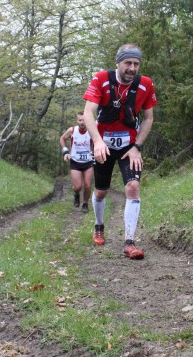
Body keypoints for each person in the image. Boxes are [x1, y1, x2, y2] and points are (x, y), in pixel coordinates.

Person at [82, 43, 157, 259]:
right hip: (102, 145)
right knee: (101, 190)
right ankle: (98, 225)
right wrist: (97, 141)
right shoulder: (101, 79)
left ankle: (129, 242)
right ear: (118, 62)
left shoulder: (145, 84)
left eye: (136, 64)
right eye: (128, 63)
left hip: (129, 148)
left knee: (133, 187)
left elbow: (149, 118)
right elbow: (88, 113)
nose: (132, 68)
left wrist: (137, 147)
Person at [59, 111, 94, 212]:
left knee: (87, 185)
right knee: (78, 186)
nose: (82, 122)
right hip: (75, 161)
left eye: (84, 120)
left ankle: (85, 204)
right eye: (80, 120)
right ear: (77, 121)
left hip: (88, 161)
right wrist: (65, 151)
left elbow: (98, 140)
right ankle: (76, 194)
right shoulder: (72, 130)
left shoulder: (92, 130)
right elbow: (62, 138)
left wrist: (95, 150)